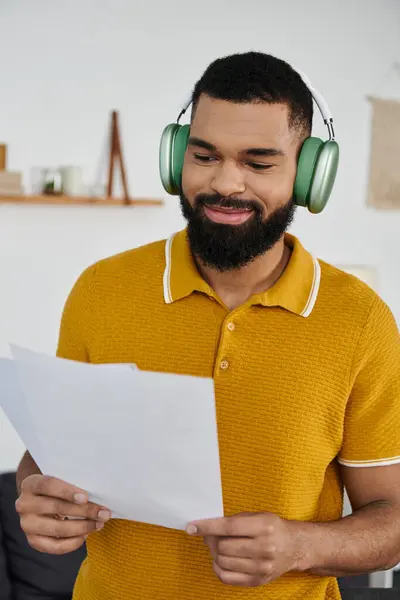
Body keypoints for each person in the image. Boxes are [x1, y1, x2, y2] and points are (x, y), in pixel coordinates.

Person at [15, 52, 400, 600]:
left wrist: (301, 546)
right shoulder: (100, 291)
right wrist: (38, 490)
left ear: (311, 174)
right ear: (177, 158)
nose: (225, 183)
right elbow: (53, 451)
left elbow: (391, 519)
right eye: (205, 155)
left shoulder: (361, 320)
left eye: (259, 163)